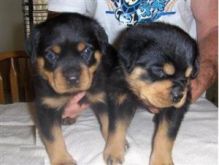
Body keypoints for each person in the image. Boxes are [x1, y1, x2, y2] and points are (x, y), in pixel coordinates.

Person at [47, 0, 218, 118]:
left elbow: (213, 28)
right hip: (100, 101)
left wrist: (198, 80)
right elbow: (60, 28)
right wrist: (66, 83)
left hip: (177, 101)